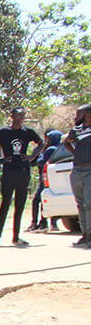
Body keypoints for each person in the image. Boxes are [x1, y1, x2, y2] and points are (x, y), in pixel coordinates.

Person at [0, 108, 43, 246]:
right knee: (5, 204)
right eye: (19, 115)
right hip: (8, 172)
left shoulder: (27, 132)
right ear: (12, 116)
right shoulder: (3, 132)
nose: (21, 118)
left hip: (23, 171)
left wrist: (32, 156)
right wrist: (0, 160)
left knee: (19, 205)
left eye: (23, 115)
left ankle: (16, 237)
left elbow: (41, 143)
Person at [65, 103, 91, 248]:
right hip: (77, 171)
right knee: (81, 204)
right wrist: (76, 154)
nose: (76, 117)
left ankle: (90, 235)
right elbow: (66, 142)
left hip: (89, 171)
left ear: (88, 114)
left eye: (79, 114)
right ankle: (84, 234)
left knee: (89, 204)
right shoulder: (77, 130)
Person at [28, 130, 63, 232]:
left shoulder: (49, 149)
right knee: (50, 200)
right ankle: (53, 223)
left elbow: (40, 162)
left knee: (37, 201)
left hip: (45, 179)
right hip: (56, 179)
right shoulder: (61, 148)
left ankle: (37, 223)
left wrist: (41, 152)